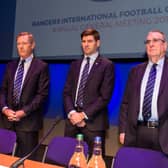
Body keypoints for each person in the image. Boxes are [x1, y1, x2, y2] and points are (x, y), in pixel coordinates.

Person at [63, 28, 115, 156]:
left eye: (90, 41)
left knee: (94, 162)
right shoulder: (75, 65)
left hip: (94, 124)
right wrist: (73, 113)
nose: (86, 44)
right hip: (72, 122)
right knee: (69, 160)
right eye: (83, 41)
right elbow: (67, 93)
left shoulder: (107, 65)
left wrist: (83, 115)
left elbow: (104, 97)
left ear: (98, 43)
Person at [0, 32, 49, 159]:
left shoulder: (41, 66)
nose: (21, 47)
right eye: (18, 44)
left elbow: (41, 95)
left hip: (28, 123)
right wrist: (5, 109)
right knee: (5, 159)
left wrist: (24, 112)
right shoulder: (10, 66)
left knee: (26, 162)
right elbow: (3, 91)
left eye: (24, 43)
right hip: (8, 122)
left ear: (32, 45)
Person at [119, 30, 168, 154]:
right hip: (136, 133)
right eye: (148, 41)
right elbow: (126, 103)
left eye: (155, 40)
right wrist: (123, 130)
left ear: (165, 46)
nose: (151, 44)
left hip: (163, 134)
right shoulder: (136, 71)